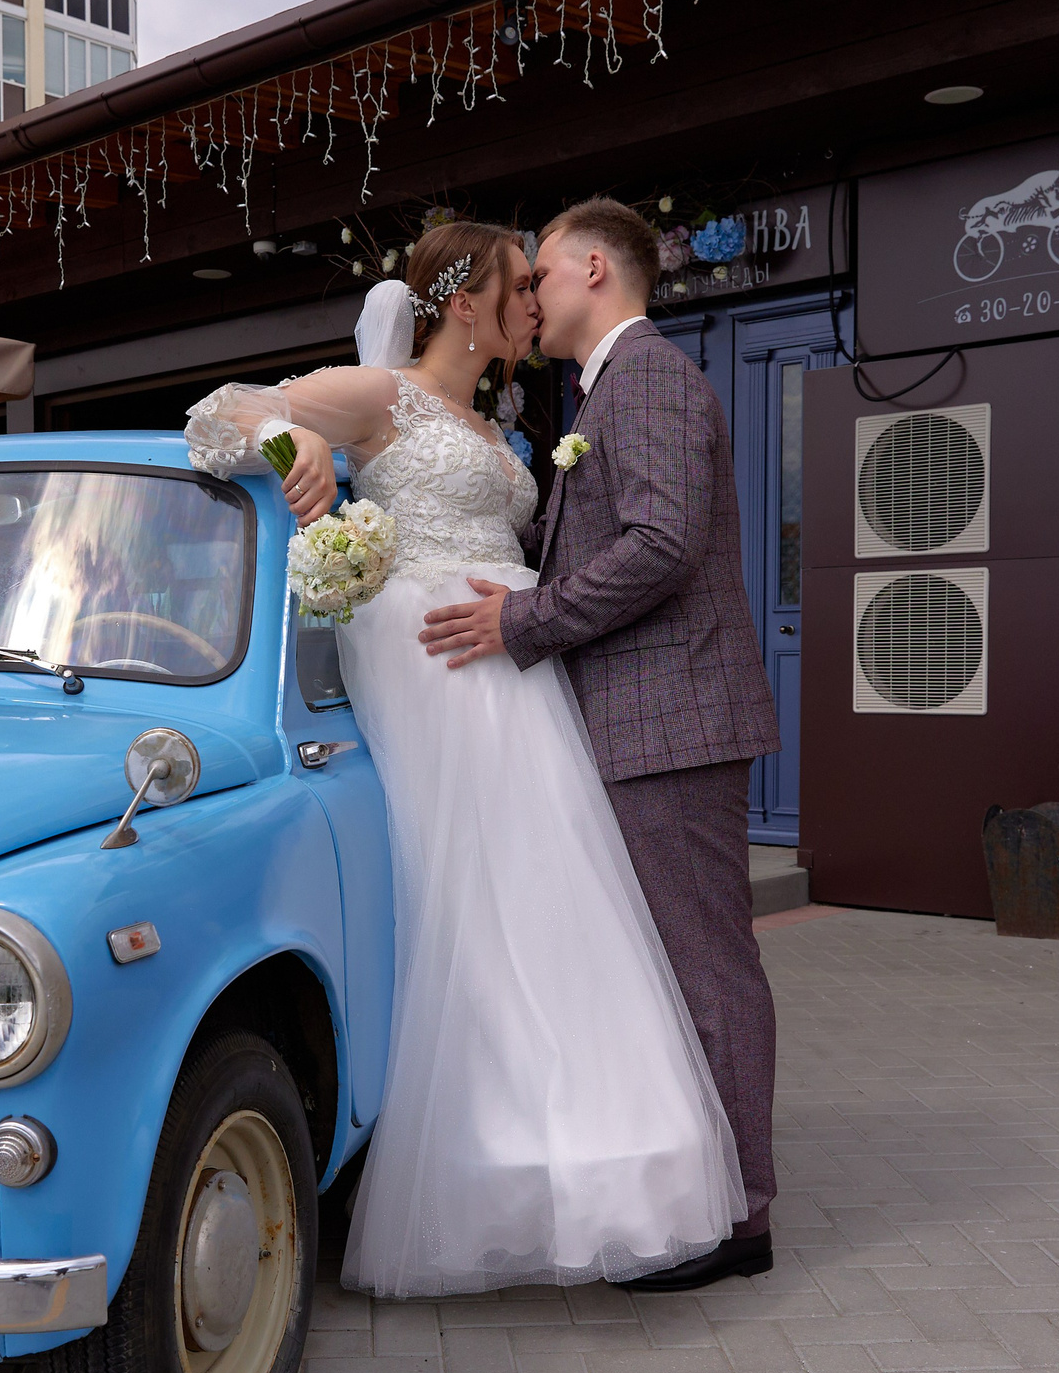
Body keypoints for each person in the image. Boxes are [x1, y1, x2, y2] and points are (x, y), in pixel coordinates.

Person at [185, 221, 745, 1299]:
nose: (535, 301)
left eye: (540, 281)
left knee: (551, 901)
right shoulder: (380, 394)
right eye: (520, 285)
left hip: (517, 666)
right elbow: (220, 413)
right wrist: (295, 442)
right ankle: (487, 1158)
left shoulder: (500, 423)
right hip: (439, 664)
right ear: (469, 302)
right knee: (472, 906)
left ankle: (581, 1159)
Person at [416, 199, 784, 1290]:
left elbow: (662, 543)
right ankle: (703, 1191)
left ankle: (742, 1216)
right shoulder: (601, 388)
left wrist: (521, 620)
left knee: (706, 968)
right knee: (673, 968)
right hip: (637, 721)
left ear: (591, 269)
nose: (530, 295)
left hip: (672, 721)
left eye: (538, 274)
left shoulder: (651, 376)